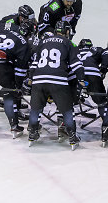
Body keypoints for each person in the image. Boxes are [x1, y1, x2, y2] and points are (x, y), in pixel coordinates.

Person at [27, 21, 85, 150]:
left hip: (38, 79)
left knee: (35, 109)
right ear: (67, 32)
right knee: (67, 111)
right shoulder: (69, 43)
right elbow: (76, 65)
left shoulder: (43, 42)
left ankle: (32, 133)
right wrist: (81, 80)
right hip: (58, 80)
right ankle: (72, 136)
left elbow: (34, 63)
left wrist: (31, 78)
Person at [77, 38, 108, 139]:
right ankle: (106, 126)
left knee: (67, 101)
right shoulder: (95, 49)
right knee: (102, 102)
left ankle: (64, 124)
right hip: (93, 75)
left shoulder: (74, 50)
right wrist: (103, 69)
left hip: (77, 76)